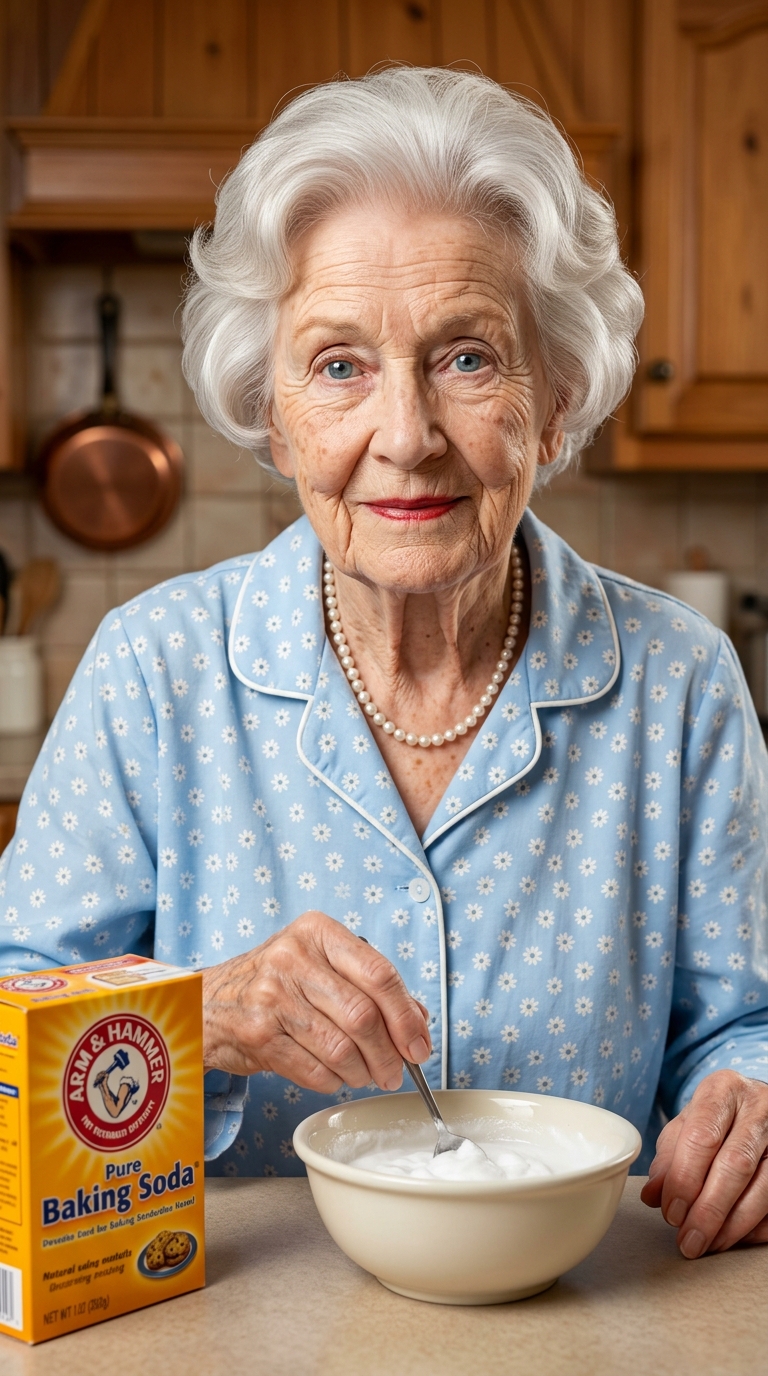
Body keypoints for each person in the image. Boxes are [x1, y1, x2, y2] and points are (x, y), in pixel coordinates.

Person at [2, 68, 766, 1260]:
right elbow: (9, 1039)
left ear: (558, 399)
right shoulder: (155, 672)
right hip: (226, 1319)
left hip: (589, 1314)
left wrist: (753, 1098)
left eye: (467, 357)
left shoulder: (681, 683)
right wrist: (199, 1017)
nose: (405, 437)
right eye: (339, 365)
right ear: (272, 415)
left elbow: (744, 1022)